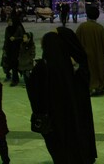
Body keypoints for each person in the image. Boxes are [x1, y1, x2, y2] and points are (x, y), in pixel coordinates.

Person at [27, 31, 97, 164]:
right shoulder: (69, 66)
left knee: (57, 145)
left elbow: (34, 93)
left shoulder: (42, 66)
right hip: (71, 115)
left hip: (52, 116)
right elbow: (82, 85)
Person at [76, 6, 104, 96]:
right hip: (98, 55)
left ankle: (89, 87)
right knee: (99, 69)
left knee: (88, 70)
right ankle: (98, 87)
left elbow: (76, 41)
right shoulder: (99, 28)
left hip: (85, 56)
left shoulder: (82, 27)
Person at [1, 15, 25, 86]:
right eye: (8, 21)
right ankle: (9, 76)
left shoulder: (18, 28)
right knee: (8, 63)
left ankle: (15, 80)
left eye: (10, 21)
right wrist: (4, 49)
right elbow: (6, 39)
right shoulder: (7, 29)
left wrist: (15, 38)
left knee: (15, 64)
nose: (9, 22)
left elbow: (23, 37)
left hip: (17, 49)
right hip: (9, 49)